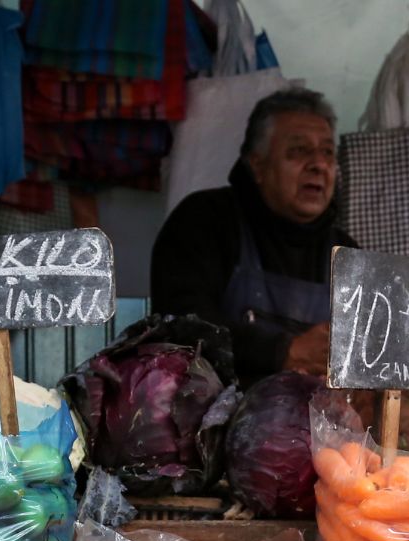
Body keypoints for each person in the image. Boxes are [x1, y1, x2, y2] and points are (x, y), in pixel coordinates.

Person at [150, 88, 353, 384]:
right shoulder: (204, 221)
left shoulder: (347, 253)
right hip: (210, 423)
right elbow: (178, 323)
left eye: (327, 152)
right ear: (257, 165)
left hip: (323, 428)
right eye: (298, 151)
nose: (318, 165)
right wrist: (282, 352)